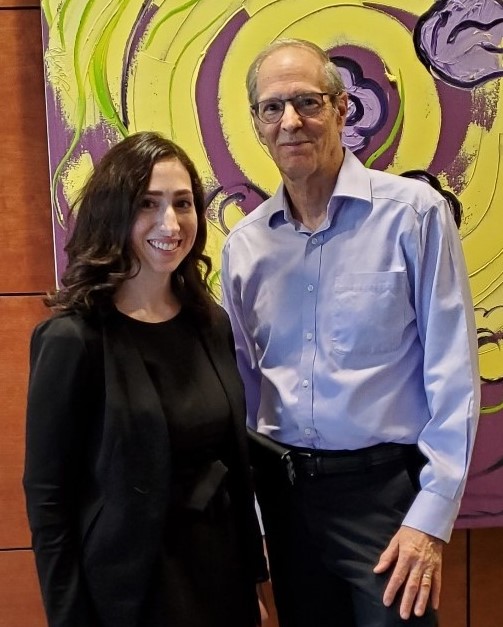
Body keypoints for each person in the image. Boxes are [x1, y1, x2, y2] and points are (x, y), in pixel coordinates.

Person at [221, 39, 480, 627]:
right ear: (258, 124)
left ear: (342, 109)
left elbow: (453, 374)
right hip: (286, 500)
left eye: (307, 102)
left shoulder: (413, 215)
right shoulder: (245, 248)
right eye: (272, 107)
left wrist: (430, 517)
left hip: (386, 500)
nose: (290, 121)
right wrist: (253, 522)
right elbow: (243, 393)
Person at [23, 131, 267, 627]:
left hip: (219, 578)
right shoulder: (73, 339)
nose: (170, 223)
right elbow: (49, 501)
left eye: (182, 203)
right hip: (129, 592)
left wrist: (253, 582)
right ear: (114, 213)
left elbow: (235, 465)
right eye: (147, 204)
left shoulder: (210, 323)